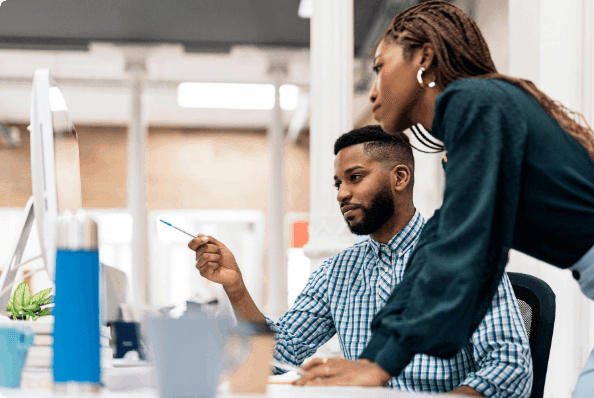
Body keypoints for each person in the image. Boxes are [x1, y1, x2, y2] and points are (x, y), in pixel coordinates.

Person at [295, 1, 594, 397]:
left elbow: (464, 245)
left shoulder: (473, 102)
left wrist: (380, 365)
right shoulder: (470, 121)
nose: (373, 91)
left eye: (380, 67)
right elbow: (441, 241)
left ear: (423, 57)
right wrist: (375, 359)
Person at [188, 125, 533, 396]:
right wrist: (235, 287)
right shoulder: (338, 271)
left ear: (400, 178)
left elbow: (509, 365)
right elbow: (280, 357)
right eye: (338, 183)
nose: (341, 194)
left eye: (355, 178)